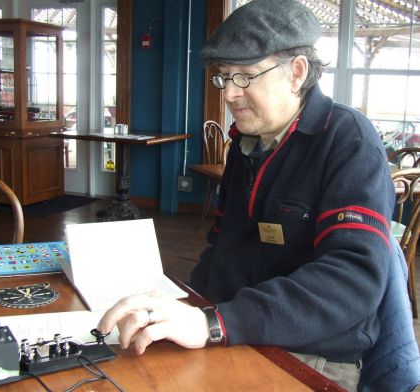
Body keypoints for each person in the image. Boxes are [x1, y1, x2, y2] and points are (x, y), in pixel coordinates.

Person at [98, 1, 399, 390]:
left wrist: (214, 323)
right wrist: (184, 307)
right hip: (232, 329)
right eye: (224, 77)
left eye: (245, 76)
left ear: (297, 72)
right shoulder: (245, 145)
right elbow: (222, 247)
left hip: (313, 355)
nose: (229, 94)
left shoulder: (348, 141)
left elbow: (353, 281)